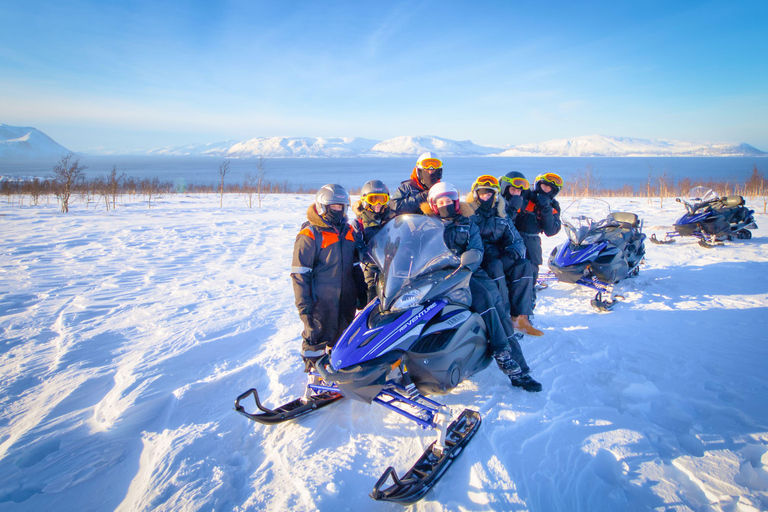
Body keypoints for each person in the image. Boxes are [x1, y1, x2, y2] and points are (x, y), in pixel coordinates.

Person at [420, 182, 543, 392]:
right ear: (432, 204)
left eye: (449, 200)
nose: (445, 205)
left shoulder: (467, 224)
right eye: (440, 202)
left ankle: (511, 361)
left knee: (490, 302)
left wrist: (467, 265)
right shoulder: (425, 226)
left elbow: (476, 249)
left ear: (456, 202)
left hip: (466, 274)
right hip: (434, 276)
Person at [291, 184, 365, 378]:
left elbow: (355, 265)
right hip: (320, 300)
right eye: (334, 206)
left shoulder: (347, 231)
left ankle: (337, 369)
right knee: (316, 337)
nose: (338, 210)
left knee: (342, 336)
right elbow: (300, 273)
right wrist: (303, 305)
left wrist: (362, 292)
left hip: (345, 297)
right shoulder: (310, 234)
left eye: (341, 206)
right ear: (323, 206)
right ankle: (314, 377)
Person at [467, 175, 543, 337]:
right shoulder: (469, 214)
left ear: (496, 195)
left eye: (490, 194)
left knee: (524, 266)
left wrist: (512, 253)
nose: (486, 197)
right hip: (480, 259)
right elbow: (469, 240)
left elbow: (516, 239)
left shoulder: (501, 214)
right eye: (483, 193)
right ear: (476, 194)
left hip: (500, 256)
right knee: (495, 267)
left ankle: (521, 317)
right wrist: (486, 255)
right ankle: (504, 317)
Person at [500, 171, 563, 316]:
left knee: (530, 281)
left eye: (549, 188)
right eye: (544, 186)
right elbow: (507, 217)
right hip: (512, 241)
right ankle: (507, 314)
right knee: (509, 278)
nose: (545, 190)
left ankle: (525, 315)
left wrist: (546, 209)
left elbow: (551, 230)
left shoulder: (553, 206)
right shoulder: (525, 196)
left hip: (533, 244)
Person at [351, 180, 397, 302]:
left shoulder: (394, 219)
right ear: (365, 200)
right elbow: (357, 245)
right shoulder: (359, 222)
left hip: (394, 265)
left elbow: (404, 238)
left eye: (382, 199)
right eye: (373, 199)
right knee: (371, 294)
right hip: (371, 266)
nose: (377, 204)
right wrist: (367, 255)